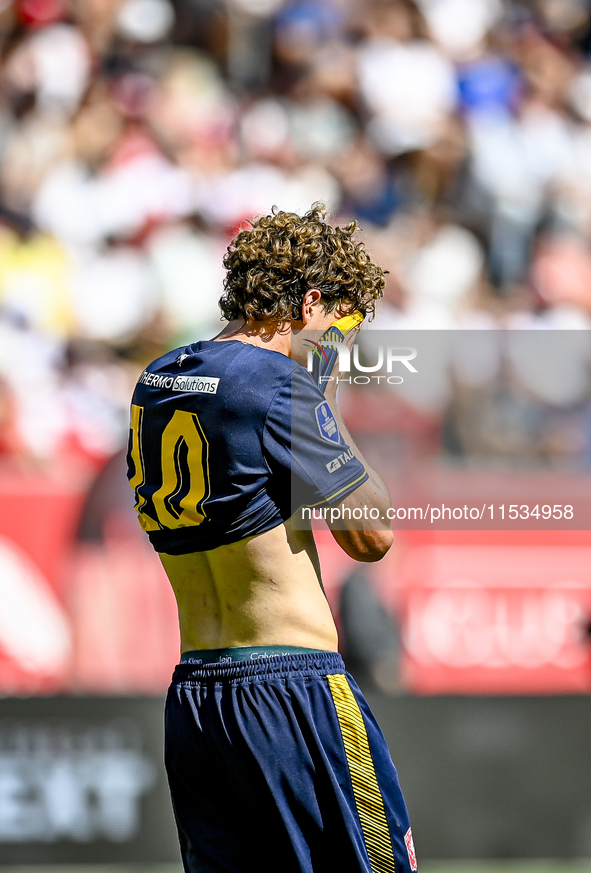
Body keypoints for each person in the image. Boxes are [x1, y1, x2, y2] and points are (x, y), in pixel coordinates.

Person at [126, 204, 418, 873]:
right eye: (339, 324)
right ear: (312, 300)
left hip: (198, 698)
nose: (337, 341)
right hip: (295, 693)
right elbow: (371, 537)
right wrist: (326, 394)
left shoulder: (157, 379)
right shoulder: (277, 381)